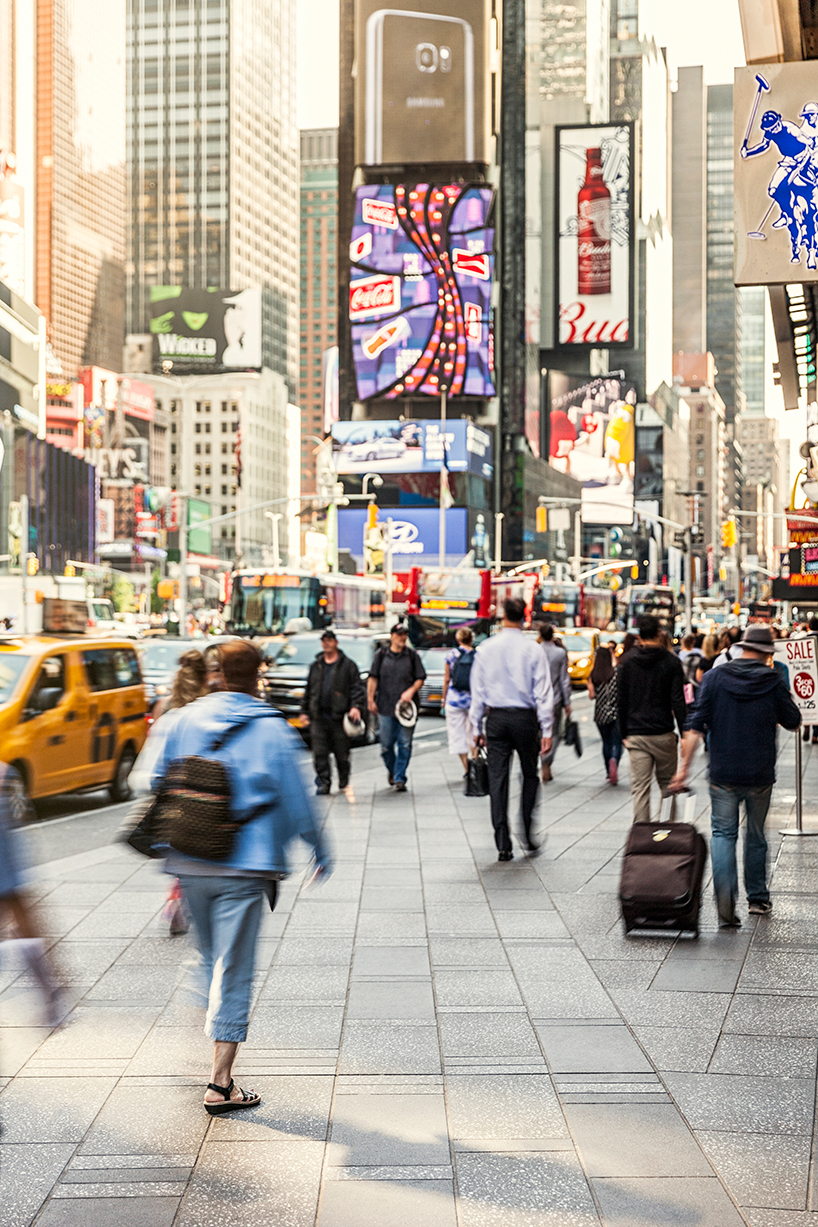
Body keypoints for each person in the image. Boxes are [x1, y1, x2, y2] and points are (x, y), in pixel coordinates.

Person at [149, 640, 331, 1114]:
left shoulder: (184, 719)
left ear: (216, 673)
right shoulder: (273, 730)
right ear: (259, 676)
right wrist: (319, 849)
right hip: (245, 866)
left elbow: (155, 783)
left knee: (211, 957)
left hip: (189, 860)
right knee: (235, 967)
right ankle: (220, 1083)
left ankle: (203, 1030)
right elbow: (298, 801)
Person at [670, 624, 800, 927]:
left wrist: (682, 771)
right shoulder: (774, 680)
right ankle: (757, 898)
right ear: (767, 653)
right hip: (759, 773)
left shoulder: (714, 677)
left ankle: (725, 902)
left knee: (723, 834)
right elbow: (793, 720)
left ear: (741, 647)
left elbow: (695, 727)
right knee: (755, 835)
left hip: (723, 772)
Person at [131, 649, 211, 936]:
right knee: (197, 856)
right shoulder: (207, 715)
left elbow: (150, 764)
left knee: (182, 855)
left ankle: (177, 899)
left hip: (170, 800)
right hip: (203, 799)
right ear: (206, 679)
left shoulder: (165, 710)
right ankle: (181, 900)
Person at [469, 598, 554, 861]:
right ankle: (528, 834)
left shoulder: (485, 648)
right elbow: (543, 691)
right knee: (530, 775)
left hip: (496, 719)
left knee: (498, 779)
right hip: (525, 719)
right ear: (524, 616)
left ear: (502, 615)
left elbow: (478, 691)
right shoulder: (533, 650)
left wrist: (475, 726)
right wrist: (547, 728)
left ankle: (502, 842)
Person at [0, 763, 61, 1026]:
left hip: (6, 860)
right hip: (8, 859)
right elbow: (23, 813)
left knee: (22, 920)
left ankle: (51, 990)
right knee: (24, 920)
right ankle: (50, 989)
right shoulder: (6, 773)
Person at [617, 613, 688, 824]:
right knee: (668, 787)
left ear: (639, 635)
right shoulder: (672, 662)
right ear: (659, 633)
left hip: (636, 734)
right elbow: (678, 701)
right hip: (663, 733)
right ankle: (665, 834)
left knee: (640, 790)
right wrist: (684, 734)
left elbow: (621, 701)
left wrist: (623, 733)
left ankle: (642, 839)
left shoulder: (627, 662)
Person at [300, 629, 366, 795]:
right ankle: (323, 783)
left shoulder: (348, 665)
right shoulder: (316, 666)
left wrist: (355, 706)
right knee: (319, 753)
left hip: (339, 717)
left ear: (336, 642)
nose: (326, 643)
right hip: (319, 717)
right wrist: (304, 710)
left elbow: (356, 688)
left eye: (329, 640)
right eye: (324, 641)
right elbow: (309, 690)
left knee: (341, 754)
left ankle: (344, 777)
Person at [367, 623, 426, 792]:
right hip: (385, 706)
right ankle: (393, 770)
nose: (402, 638)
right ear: (392, 636)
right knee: (386, 745)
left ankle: (400, 777)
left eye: (404, 635)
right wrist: (370, 699)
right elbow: (373, 678)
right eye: (399, 634)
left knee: (405, 744)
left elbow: (420, 678)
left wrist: (411, 691)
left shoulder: (412, 655)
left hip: (407, 709)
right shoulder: (381, 654)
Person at [536, 623, 572, 783]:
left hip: (536, 699)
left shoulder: (534, 651)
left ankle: (539, 755)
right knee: (555, 732)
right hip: (554, 698)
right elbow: (564, 679)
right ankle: (547, 760)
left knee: (537, 732)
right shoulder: (560, 653)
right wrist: (567, 702)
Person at [443, 627, 476, 776]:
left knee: (457, 735)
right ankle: (474, 762)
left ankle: (466, 768)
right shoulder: (478, 655)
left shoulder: (451, 654)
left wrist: (444, 699)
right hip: (474, 700)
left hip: (454, 700)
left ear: (458, 639)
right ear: (472, 639)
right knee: (474, 733)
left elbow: (447, 679)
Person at [587, 642, 622, 784]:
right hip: (615, 712)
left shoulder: (593, 675)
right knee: (617, 742)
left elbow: (591, 695)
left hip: (600, 714)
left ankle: (608, 771)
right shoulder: (616, 673)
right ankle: (615, 760)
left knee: (606, 742)